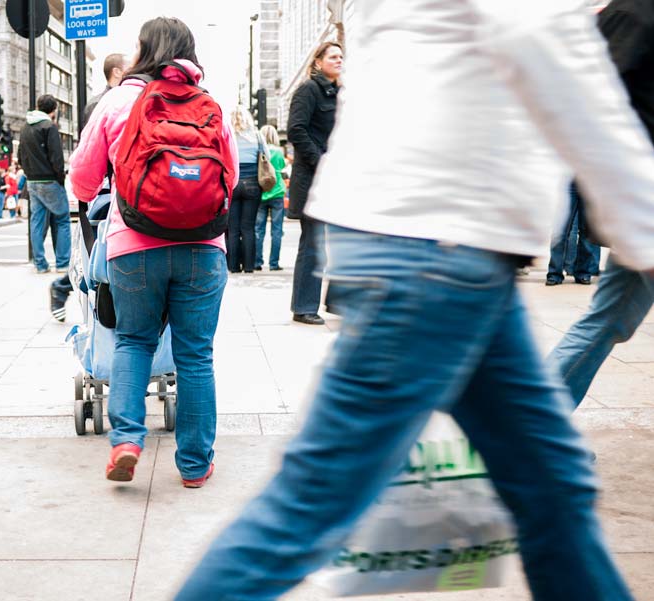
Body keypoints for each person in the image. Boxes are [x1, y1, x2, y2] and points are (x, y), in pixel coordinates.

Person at [175, 1, 654, 599]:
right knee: (311, 505)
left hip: (446, 245)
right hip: (441, 247)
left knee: (553, 485)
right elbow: (565, 68)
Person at [70, 16, 239, 487]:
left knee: (134, 340)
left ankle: (126, 440)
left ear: (142, 50)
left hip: (134, 246)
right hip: (203, 248)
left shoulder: (119, 101)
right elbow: (232, 180)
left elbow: (82, 180)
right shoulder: (212, 107)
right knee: (195, 355)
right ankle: (194, 464)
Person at [550, 0, 654, 407]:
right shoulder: (634, 14)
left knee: (610, 319)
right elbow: (592, 112)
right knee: (607, 319)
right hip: (643, 202)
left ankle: (535, 434)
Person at [49, 52, 131, 322]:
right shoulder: (103, 102)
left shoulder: (119, 99)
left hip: (112, 189)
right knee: (96, 252)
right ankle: (62, 288)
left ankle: (65, 289)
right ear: (117, 73)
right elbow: (91, 152)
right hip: (104, 191)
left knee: (99, 252)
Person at [286, 41, 343, 326]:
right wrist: (321, 161)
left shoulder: (342, 93)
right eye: (333, 56)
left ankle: (340, 301)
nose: (339, 60)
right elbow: (296, 129)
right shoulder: (309, 90)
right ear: (318, 61)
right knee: (313, 243)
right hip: (313, 180)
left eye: (342, 56)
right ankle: (304, 306)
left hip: (339, 179)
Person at [18, 95, 68, 274]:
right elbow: (57, 158)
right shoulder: (49, 127)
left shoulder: (25, 127)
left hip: (32, 181)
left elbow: (19, 157)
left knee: (36, 222)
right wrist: (60, 179)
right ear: (53, 111)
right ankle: (62, 263)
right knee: (62, 219)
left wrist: (29, 173)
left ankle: (40, 264)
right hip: (50, 180)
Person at [225, 107, 261, 273]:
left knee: (232, 228)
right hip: (253, 183)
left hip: (233, 183)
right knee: (248, 227)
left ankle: (232, 266)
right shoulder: (257, 136)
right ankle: (249, 266)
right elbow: (265, 156)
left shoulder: (228, 135)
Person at [546, 180, 602, 285]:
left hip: (589, 183)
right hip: (567, 181)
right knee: (560, 232)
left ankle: (583, 273)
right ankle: (554, 273)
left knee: (586, 233)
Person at [254, 124, 286, 272]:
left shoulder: (259, 151)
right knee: (277, 230)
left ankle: (257, 262)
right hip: (277, 192)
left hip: (262, 192)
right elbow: (281, 167)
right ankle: (274, 263)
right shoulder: (279, 152)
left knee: (258, 230)